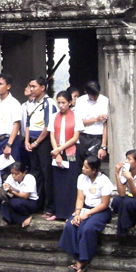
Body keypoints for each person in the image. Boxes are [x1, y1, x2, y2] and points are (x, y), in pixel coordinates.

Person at [58, 156, 114, 272]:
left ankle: (83, 260)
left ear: (94, 170)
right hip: (85, 208)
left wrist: (86, 215)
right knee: (71, 225)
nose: (83, 169)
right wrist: (77, 213)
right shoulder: (81, 178)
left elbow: (104, 204)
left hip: (100, 210)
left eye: (86, 167)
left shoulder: (103, 181)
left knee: (88, 229)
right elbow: (80, 198)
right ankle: (77, 255)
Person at [21, 75, 57, 219]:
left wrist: (36, 142)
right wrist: (27, 141)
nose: (31, 89)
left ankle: (49, 207)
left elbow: (48, 126)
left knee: (46, 173)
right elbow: (28, 123)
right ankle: (37, 203)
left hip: (44, 142)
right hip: (32, 140)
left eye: (34, 86)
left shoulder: (48, 103)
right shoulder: (32, 102)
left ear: (42, 88)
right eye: (30, 86)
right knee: (35, 173)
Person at [48, 90, 82, 221]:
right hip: (56, 151)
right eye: (59, 103)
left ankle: (70, 212)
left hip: (70, 151)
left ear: (69, 103)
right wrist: (56, 152)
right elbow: (52, 135)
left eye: (63, 103)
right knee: (58, 182)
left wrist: (59, 149)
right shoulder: (54, 116)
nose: (61, 106)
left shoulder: (76, 116)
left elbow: (75, 137)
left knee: (70, 182)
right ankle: (59, 212)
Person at [111, 149, 136, 236]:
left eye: (129, 159)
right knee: (117, 200)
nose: (126, 161)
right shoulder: (127, 172)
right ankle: (131, 221)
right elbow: (121, 193)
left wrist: (130, 179)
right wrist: (117, 174)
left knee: (127, 202)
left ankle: (123, 229)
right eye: (126, 159)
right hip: (131, 199)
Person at [74, 80, 109, 163]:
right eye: (93, 95)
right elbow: (79, 122)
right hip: (82, 136)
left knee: (93, 165)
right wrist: (96, 119)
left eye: (96, 94)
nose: (95, 97)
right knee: (81, 165)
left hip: (97, 137)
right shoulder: (80, 101)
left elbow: (105, 124)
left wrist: (103, 146)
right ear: (86, 92)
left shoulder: (104, 100)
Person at [0, 161, 40, 227]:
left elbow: (25, 196)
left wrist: (12, 191)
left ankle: (26, 216)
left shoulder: (29, 178)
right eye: (12, 173)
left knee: (15, 203)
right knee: (4, 205)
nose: (13, 176)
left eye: (16, 174)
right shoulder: (10, 177)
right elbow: (6, 188)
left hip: (30, 202)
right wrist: (5, 188)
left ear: (23, 173)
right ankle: (20, 219)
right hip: (16, 199)